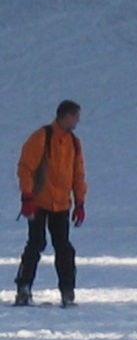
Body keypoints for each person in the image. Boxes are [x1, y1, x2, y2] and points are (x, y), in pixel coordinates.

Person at [14, 100, 87, 306]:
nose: (77, 121)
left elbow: (78, 174)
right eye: (75, 116)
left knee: (63, 248)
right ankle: (23, 287)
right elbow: (26, 167)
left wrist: (79, 202)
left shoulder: (74, 142)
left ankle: (67, 290)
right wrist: (27, 195)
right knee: (36, 244)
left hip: (61, 204)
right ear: (65, 116)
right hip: (38, 201)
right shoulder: (42, 137)